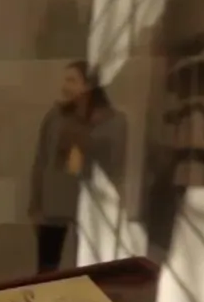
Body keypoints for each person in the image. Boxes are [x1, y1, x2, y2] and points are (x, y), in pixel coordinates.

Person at [28, 61, 129, 273]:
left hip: (88, 207)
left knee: (86, 269)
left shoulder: (111, 121)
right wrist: (36, 204)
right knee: (47, 269)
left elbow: (115, 167)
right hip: (53, 207)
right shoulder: (54, 117)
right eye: (65, 80)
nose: (65, 86)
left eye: (72, 80)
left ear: (88, 85)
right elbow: (41, 160)